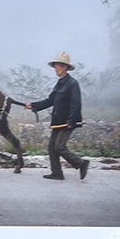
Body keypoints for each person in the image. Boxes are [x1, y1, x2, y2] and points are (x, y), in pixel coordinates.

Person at [28, 51, 88, 181]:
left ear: (65, 67)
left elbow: (76, 104)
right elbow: (50, 100)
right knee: (52, 148)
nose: (56, 68)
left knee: (59, 147)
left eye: (59, 65)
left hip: (68, 121)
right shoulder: (60, 83)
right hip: (58, 121)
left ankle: (81, 163)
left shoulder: (72, 83)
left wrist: (71, 121)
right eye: (55, 65)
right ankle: (57, 173)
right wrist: (34, 105)